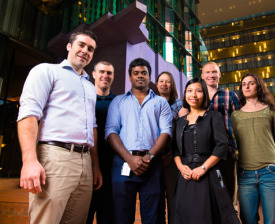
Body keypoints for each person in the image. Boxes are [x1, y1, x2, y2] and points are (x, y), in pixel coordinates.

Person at [17, 30, 102, 224]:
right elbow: (28, 114)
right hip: (55, 157)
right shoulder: (46, 71)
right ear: (69, 46)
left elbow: (93, 127)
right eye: (81, 45)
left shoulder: (90, 87)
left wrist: (95, 165)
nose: (85, 51)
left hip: (85, 162)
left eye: (90, 49)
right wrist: (29, 160)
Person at [105, 58, 173, 224]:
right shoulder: (118, 101)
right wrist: (129, 158)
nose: (140, 76)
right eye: (136, 73)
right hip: (123, 163)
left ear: (150, 77)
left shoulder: (161, 102)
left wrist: (148, 157)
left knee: (153, 217)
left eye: (144, 73)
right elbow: (110, 131)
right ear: (130, 77)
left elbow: (166, 131)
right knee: (121, 217)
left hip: (152, 164)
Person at [171, 78, 240, 224]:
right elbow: (175, 150)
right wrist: (181, 167)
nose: (193, 95)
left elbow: (221, 146)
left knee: (211, 216)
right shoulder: (179, 121)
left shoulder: (214, 117)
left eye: (198, 91)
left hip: (208, 174)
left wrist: (203, 168)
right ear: (185, 95)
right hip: (185, 175)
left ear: (204, 95)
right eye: (189, 91)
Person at [231, 73, 275, 224]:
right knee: (248, 219)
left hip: (271, 171)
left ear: (259, 86)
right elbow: (237, 144)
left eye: (251, 83)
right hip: (245, 174)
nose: (247, 87)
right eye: (244, 84)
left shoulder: (272, 110)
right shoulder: (235, 116)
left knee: (271, 221)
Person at [201, 61, 240, 209]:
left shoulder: (230, 96)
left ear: (219, 75)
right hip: (203, 154)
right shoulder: (197, 96)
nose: (211, 75)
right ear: (202, 76)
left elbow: (240, 124)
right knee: (207, 199)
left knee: (229, 197)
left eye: (214, 72)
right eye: (208, 72)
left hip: (226, 152)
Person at [156, 71, 188, 223]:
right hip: (154, 156)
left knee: (174, 198)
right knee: (155, 199)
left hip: (172, 157)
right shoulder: (151, 102)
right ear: (156, 84)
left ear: (172, 85)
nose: (164, 84)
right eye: (161, 81)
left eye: (167, 81)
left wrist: (173, 153)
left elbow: (184, 132)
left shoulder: (179, 104)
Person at [86, 61, 116, 224]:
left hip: (111, 165)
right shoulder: (84, 98)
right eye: (102, 72)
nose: (105, 75)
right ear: (94, 74)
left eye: (109, 73)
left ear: (113, 76)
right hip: (86, 163)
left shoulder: (119, 102)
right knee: (85, 213)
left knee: (108, 214)